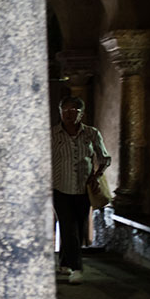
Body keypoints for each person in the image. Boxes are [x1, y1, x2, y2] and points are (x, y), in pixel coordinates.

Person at [51, 95, 110, 285]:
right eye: (65, 110)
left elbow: (104, 158)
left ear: (81, 113)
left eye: (73, 110)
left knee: (77, 227)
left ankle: (64, 262)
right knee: (68, 228)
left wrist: (97, 175)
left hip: (84, 189)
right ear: (60, 112)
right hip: (60, 189)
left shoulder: (91, 134)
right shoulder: (52, 135)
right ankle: (76, 268)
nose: (69, 114)